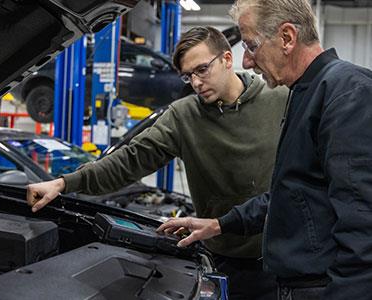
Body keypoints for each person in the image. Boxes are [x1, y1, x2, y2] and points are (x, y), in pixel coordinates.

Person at [26, 26, 288, 299]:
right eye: (188, 76)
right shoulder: (184, 116)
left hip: (280, 260)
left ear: (226, 59)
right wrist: (65, 182)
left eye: (202, 69)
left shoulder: (279, 99)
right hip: (220, 261)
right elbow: (130, 160)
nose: (196, 83)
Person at [157, 1, 372, 300]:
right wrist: (219, 224)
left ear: (287, 38)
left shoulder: (347, 93)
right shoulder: (303, 94)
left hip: (323, 288)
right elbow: (292, 194)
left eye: (252, 46)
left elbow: (363, 223)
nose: (246, 62)